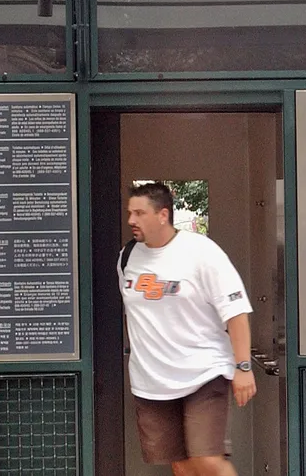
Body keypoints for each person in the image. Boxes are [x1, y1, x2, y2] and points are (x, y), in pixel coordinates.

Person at [119, 182, 255, 476]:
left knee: (207, 460)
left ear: (162, 215)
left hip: (203, 373)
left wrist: (243, 367)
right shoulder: (127, 257)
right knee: (181, 464)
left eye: (140, 213)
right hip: (152, 380)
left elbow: (236, 313)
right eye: (130, 213)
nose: (131, 220)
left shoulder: (201, 252)